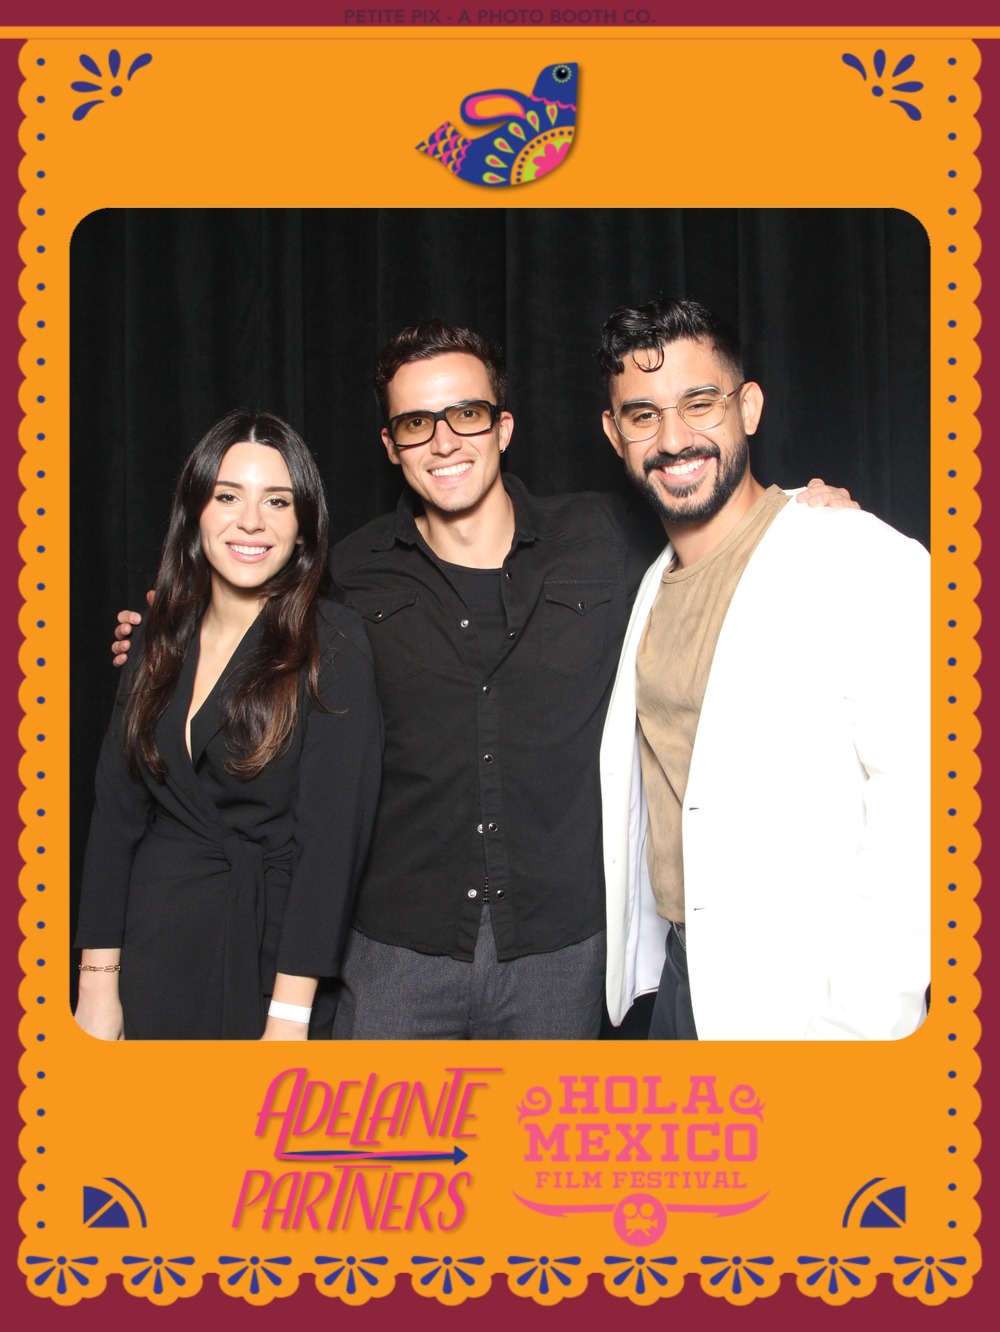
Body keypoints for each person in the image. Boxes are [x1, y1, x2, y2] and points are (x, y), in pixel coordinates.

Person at [111, 325, 852, 1040]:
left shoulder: (602, 538)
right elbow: (250, 624)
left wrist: (800, 513)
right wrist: (168, 633)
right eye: (416, 423)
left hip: (559, 952)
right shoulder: (348, 575)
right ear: (390, 447)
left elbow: (710, 530)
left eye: (465, 414)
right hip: (394, 951)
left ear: (503, 427)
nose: (443, 441)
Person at [598, 296, 930, 1041]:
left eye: (699, 403)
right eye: (644, 415)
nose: (674, 439)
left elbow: (926, 809)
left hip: (810, 999)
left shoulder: (854, 555)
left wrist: (858, 1027)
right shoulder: (649, 584)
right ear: (615, 434)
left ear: (747, 407)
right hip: (684, 978)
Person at [76, 410, 382, 1040]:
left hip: (266, 967)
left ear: (303, 527)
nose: (251, 521)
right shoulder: (155, 639)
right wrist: (97, 985)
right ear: (195, 512)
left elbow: (331, 848)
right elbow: (115, 819)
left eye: (277, 501)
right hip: (150, 952)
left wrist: (290, 1016)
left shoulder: (335, 644)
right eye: (227, 496)